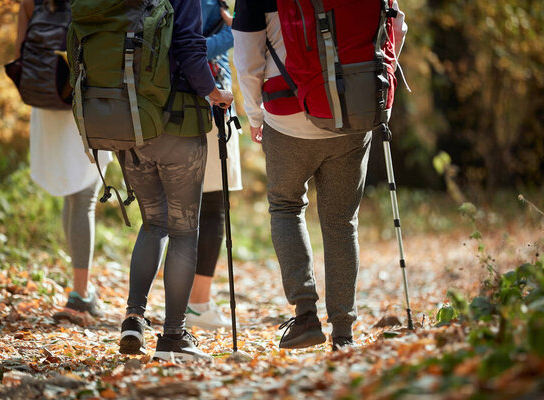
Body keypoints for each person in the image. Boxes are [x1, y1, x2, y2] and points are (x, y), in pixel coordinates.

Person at [233, 0, 373, 350]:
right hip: (353, 110)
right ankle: (343, 331)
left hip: (288, 112)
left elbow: (248, 57)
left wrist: (254, 115)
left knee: (285, 206)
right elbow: (394, 27)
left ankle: (306, 315)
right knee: (342, 222)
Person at [118, 0, 234, 361]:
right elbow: (188, 46)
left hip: (123, 119)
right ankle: (173, 337)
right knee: (183, 229)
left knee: (153, 222)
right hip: (176, 119)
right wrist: (213, 92)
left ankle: (134, 319)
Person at [14, 0, 113, 325]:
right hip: (83, 100)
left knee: (74, 196)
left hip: (45, 98)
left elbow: (21, 51)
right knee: (83, 196)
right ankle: (80, 294)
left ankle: (80, 287)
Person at [185, 0, 242, 331]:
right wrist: (234, 31)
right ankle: (199, 303)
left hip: (180, 109)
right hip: (210, 109)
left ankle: (183, 301)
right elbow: (190, 48)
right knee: (212, 210)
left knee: (180, 210)